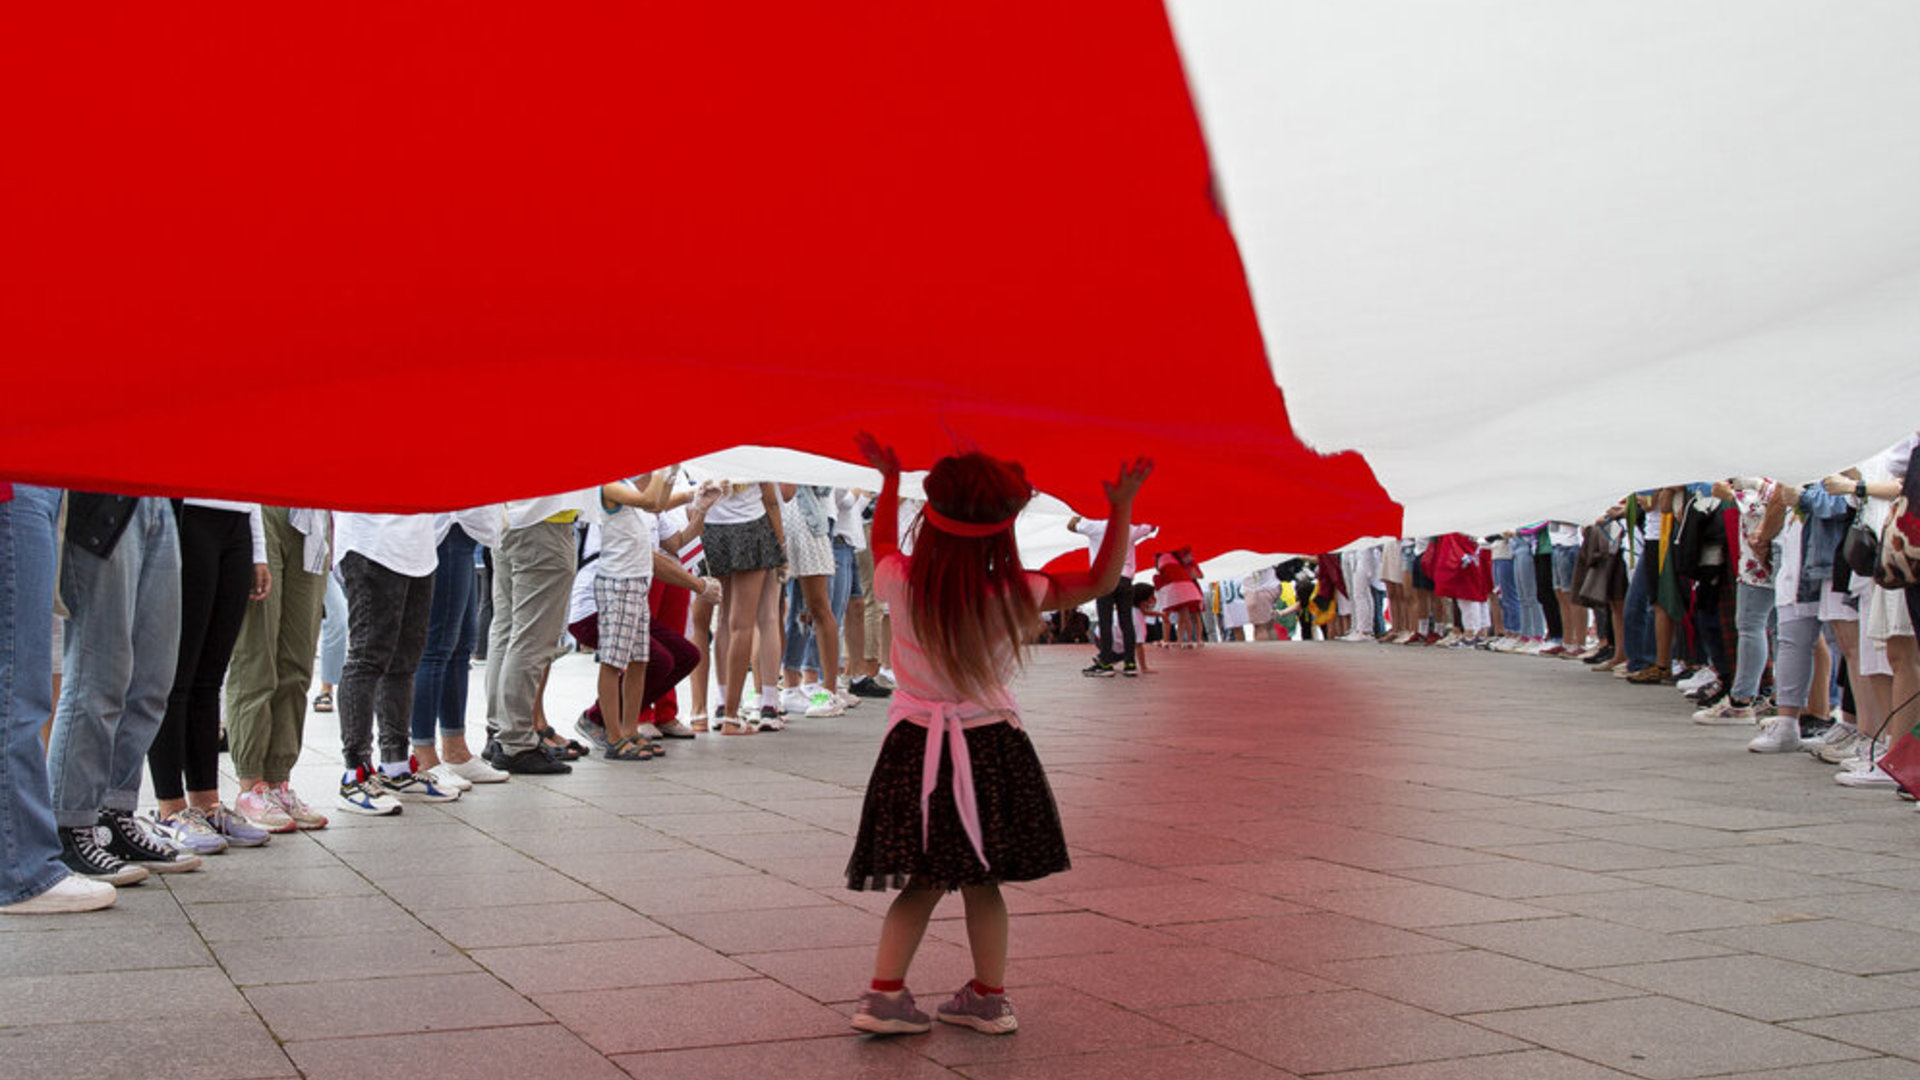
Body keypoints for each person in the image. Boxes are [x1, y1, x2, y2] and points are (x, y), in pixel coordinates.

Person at [845, 431, 1151, 1037]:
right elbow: (1097, 581)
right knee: (983, 881)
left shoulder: (898, 582)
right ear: (1003, 528)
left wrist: (886, 479)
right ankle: (988, 997)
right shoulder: (1015, 593)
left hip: (917, 750)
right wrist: (1120, 508)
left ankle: (885, 995)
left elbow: (880, 540)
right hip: (992, 750)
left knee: (924, 880)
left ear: (930, 521)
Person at [1, 483, 117, 913]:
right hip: (14, 485)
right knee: (16, 685)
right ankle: (20, 872)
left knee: (20, 683)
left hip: (34, 482)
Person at [147, 499, 274, 853]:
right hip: (188, 514)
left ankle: (207, 804)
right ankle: (169, 811)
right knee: (177, 674)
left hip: (236, 520)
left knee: (210, 676)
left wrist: (258, 549)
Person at [225, 507, 333, 832]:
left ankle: (278, 781)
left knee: (298, 661)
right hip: (262, 507)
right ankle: (251, 784)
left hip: (310, 510)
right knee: (257, 655)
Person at [1067, 513, 1155, 675]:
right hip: (1125, 579)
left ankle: (1106, 664)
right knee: (1126, 621)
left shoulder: (1094, 525)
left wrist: (1080, 514)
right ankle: (1130, 664)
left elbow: (1071, 525)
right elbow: (1152, 525)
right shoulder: (1128, 526)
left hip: (1104, 578)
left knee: (1105, 621)